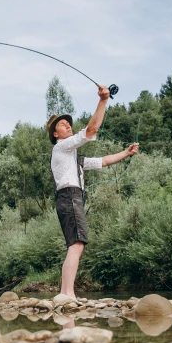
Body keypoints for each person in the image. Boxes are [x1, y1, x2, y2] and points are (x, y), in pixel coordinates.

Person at [46, 85, 139, 300]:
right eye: (62, 124)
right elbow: (91, 130)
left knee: (75, 244)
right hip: (70, 196)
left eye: (68, 123)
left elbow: (103, 161)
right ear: (55, 133)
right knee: (77, 244)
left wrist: (126, 152)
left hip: (69, 198)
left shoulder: (74, 158)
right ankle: (67, 293)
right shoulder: (61, 147)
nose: (67, 125)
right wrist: (103, 100)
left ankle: (65, 292)